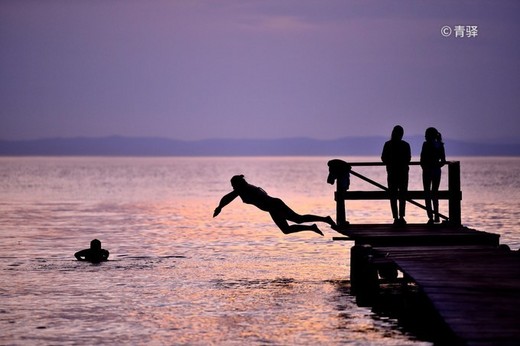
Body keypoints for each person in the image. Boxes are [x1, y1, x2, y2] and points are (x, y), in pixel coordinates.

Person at [213, 175, 336, 236]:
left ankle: (325, 219)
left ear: (238, 184)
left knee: (298, 219)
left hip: (275, 205)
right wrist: (220, 207)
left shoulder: (244, 189)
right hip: (272, 208)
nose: (232, 187)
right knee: (287, 230)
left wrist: (220, 207)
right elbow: (228, 197)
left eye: (233, 185)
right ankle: (312, 227)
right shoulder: (242, 189)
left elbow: (227, 198)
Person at [381, 125, 411, 225]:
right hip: (402, 173)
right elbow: (408, 159)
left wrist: (391, 163)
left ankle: (396, 217)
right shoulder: (406, 145)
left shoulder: (388, 144)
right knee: (402, 195)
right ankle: (401, 217)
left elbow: (383, 158)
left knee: (393, 195)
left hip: (392, 173)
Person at [420, 127, 446, 225]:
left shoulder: (426, 145)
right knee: (435, 193)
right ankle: (436, 215)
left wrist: (425, 167)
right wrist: (436, 166)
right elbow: (443, 161)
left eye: (426, 134)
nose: (425, 136)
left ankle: (430, 216)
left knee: (427, 194)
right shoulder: (440, 145)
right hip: (436, 172)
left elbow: (422, 159)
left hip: (427, 171)